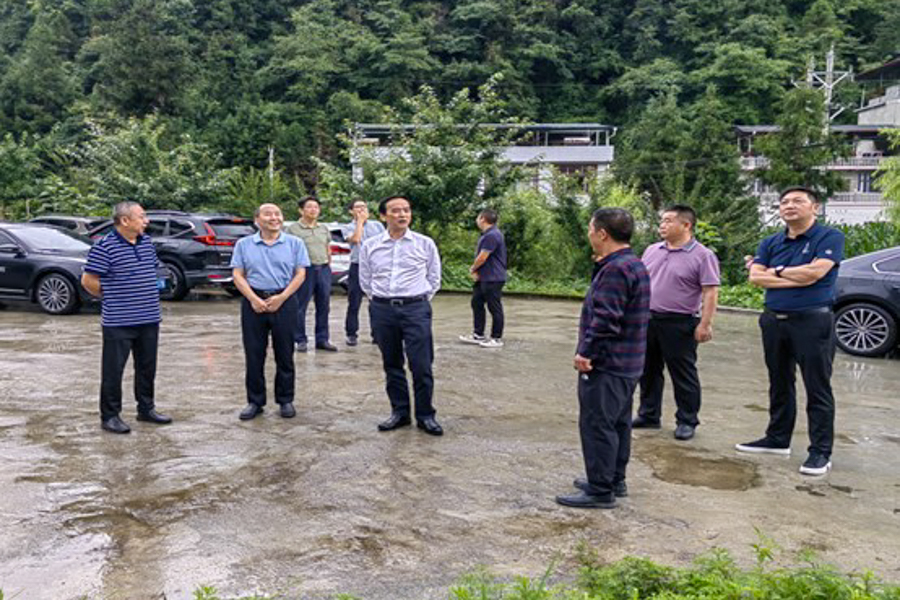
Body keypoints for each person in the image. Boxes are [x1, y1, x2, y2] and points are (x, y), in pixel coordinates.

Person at [736, 186, 844, 476]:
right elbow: (756, 278)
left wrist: (776, 271)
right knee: (779, 381)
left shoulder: (829, 237)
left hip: (812, 321)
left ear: (814, 207)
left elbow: (815, 273)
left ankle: (820, 451)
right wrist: (794, 275)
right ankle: (777, 438)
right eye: (784, 202)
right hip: (774, 320)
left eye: (798, 201)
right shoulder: (771, 242)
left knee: (817, 386)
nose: (789, 205)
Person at [556, 208, 650, 509]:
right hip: (628, 362)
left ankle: (600, 490)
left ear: (602, 234)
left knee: (598, 424)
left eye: (590, 229)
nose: (588, 234)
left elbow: (606, 320)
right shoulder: (633, 264)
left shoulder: (615, 270)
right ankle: (613, 479)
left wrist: (586, 352)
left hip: (608, 363)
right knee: (618, 423)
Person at [81, 201, 172, 434]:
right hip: (119, 321)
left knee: (147, 368)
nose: (146, 221)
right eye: (141, 217)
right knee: (113, 371)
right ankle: (110, 416)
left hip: (149, 318)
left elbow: (154, 270)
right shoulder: (105, 247)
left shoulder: (146, 243)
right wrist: (113, 295)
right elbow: (88, 280)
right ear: (124, 220)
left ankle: (146, 409)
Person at [634, 205, 720, 441]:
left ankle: (687, 420)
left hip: (680, 322)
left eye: (668, 221)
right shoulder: (652, 250)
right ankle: (649, 414)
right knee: (647, 370)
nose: (662, 225)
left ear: (686, 225)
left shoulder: (703, 255)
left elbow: (710, 292)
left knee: (683, 374)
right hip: (647, 319)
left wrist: (705, 324)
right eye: (662, 220)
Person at [360, 195, 443, 436]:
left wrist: (417, 301)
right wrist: (381, 301)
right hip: (382, 309)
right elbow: (366, 280)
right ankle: (400, 413)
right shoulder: (370, 245)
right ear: (383, 216)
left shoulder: (424, 243)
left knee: (421, 365)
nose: (402, 214)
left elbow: (434, 278)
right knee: (392, 363)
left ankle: (426, 415)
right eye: (395, 211)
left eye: (406, 210)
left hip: (415, 308)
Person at [231, 203, 310, 421]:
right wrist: (253, 299)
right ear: (257, 220)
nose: (274, 218)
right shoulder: (244, 244)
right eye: (268, 214)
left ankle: (285, 399)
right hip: (253, 301)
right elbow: (238, 274)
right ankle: (255, 401)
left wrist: (282, 298)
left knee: (285, 353)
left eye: (277, 214)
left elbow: (300, 274)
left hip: (285, 300)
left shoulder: (295, 243)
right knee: (254, 353)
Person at [285, 196, 337, 352]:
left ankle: (322, 339)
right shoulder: (293, 229)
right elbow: (288, 251)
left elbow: (327, 247)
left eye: (316, 207)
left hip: (323, 269)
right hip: (304, 270)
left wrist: (328, 264)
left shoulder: (323, 228)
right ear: (301, 210)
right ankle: (300, 339)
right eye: (309, 207)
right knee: (300, 306)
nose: (313, 210)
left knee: (324, 306)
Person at [458, 208, 508, 349]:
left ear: (483, 219)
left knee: (494, 307)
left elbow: (483, 257)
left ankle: (496, 338)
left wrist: (473, 268)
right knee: (477, 303)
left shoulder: (492, 235)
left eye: (478, 217)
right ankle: (478, 334)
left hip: (493, 278)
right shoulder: (488, 234)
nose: (476, 220)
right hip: (484, 277)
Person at [341, 199, 385, 346]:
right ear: (351, 211)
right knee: (354, 302)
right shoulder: (347, 227)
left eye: (364, 207)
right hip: (357, 266)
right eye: (358, 207)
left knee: (377, 301)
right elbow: (356, 239)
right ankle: (351, 334)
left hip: (376, 267)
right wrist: (359, 222)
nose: (361, 209)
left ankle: (378, 334)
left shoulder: (377, 226)